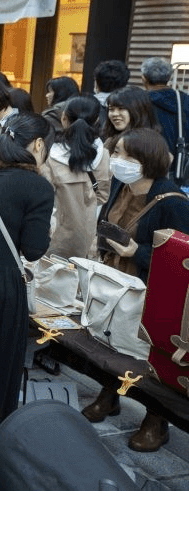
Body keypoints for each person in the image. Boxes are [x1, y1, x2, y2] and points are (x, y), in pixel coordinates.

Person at [0, 113, 55, 487]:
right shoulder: (37, 187)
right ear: (38, 145)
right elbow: (33, 249)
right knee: (0, 369)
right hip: (2, 289)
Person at [84, 128, 189, 452]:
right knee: (111, 341)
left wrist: (137, 252)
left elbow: (181, 258)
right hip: (116, 278)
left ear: (147, 159)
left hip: (152, 289)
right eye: (116, 153)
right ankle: (109, 394)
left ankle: (156, 420)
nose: (118, 160)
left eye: (127, 155)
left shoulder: (173, 201)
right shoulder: (122, 185)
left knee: (147, 353)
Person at [42, 97, 112, 259]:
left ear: (64, 118)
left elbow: (44, 195)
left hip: (53, 231)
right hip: (86, 234)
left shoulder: (51, 154)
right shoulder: (103, 155)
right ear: (97, 120)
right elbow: (102, 196)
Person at [141, 57, 189, 178]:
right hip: (179, 167)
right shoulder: (184, 99)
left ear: (144, 78)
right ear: (169, 78)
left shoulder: (138, 101)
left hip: (145, 166)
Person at [103, 86, 160, 152]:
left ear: (138, 110)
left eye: (121, 108)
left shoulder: (149, 145)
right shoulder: (110, 140)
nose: (115, 114)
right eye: (111, 109)